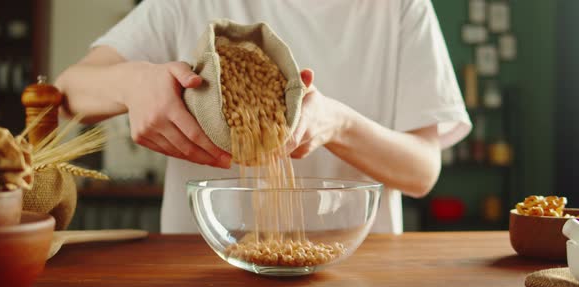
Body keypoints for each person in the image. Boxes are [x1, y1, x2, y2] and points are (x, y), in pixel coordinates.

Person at [55, 0, 471, 234]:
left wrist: (337, 124)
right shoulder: (183, 3)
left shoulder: (399, 8)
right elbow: (69, 89)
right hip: (202, 270)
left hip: (353, 270)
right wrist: (131, 82)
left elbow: (422, 171)